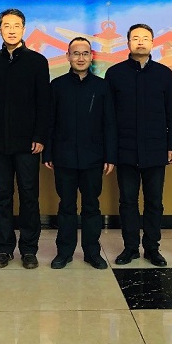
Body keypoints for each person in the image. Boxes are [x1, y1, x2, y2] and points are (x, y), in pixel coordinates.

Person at [105, 23, 172, 267]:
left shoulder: (164, 74)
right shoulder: (114, 74)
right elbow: (108, 118)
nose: (140, 42)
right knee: (127, 202)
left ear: (152, 43)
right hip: (125, 150)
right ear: (128, 43)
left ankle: (152, 248)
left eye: (145, 38)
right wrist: (110, 152)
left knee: (154, 202)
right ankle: (130, 248)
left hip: (156, 150)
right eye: (135, 38)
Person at [0, 9, 51, 269]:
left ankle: (29, 249)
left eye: (16, 25)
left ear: (24, 29)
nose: (11, 30)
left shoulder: (37, 61)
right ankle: (4, 248)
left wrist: (40, 135)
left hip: (28, 143)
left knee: (29, 196)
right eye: (6, 25)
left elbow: (44, 102)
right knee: (2, 196)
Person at [43, 37, 116, 270]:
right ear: (68, 56)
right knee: (66, 206)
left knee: (91, 207)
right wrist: (48, 153)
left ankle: (92, 253)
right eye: (76, 53)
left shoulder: (102, 86)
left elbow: (110, 123)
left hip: (94, 157)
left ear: (91, 56)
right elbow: (50, 122)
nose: (81, 58)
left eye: (85, 53)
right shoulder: (57, 85)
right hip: (63, 156)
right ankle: (64, 252)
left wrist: (110, 156)